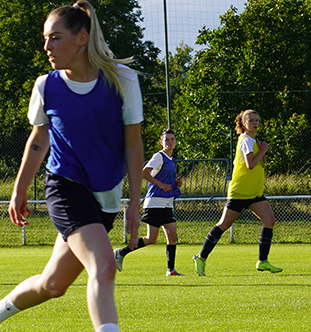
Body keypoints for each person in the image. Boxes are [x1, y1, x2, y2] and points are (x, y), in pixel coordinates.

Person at [0, 0, 152, 332]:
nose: (47, 47)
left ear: (82, 39)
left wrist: (135, 204)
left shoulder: (122, 79)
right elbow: (39, 140)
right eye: (45, 39)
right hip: (65, 187)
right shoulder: (46, 85)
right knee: (103, 265)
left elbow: (134, 145)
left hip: (105, 195)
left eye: (55, 37)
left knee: (53, 284)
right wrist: (19, 189)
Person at [192, 109, 282, 276]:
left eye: (257, 120)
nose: (255, 123)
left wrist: (260, 150)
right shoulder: (246, 140)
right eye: (251, 120)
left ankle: (263, 261)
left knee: (269, 221)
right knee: (223, 225)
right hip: (240, 193)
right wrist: (263, 150)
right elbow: (249, 164)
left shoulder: (253, 141)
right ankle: (201, 257)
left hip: (254, 193)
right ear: (243, 124)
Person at [113, 128, 183, 276]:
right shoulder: (159, 156)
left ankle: (171, 270)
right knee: (151, 239)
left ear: (175, 142)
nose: (170, 142)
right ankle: (120, 253)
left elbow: (164, 178)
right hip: (155, 202)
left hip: (166, 203)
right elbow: (144, 172)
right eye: (166, 139)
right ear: (161, 142)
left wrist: (175, 183)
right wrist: (161, 185)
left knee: (172, 236)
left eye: (172, 139)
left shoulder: (171, 159)